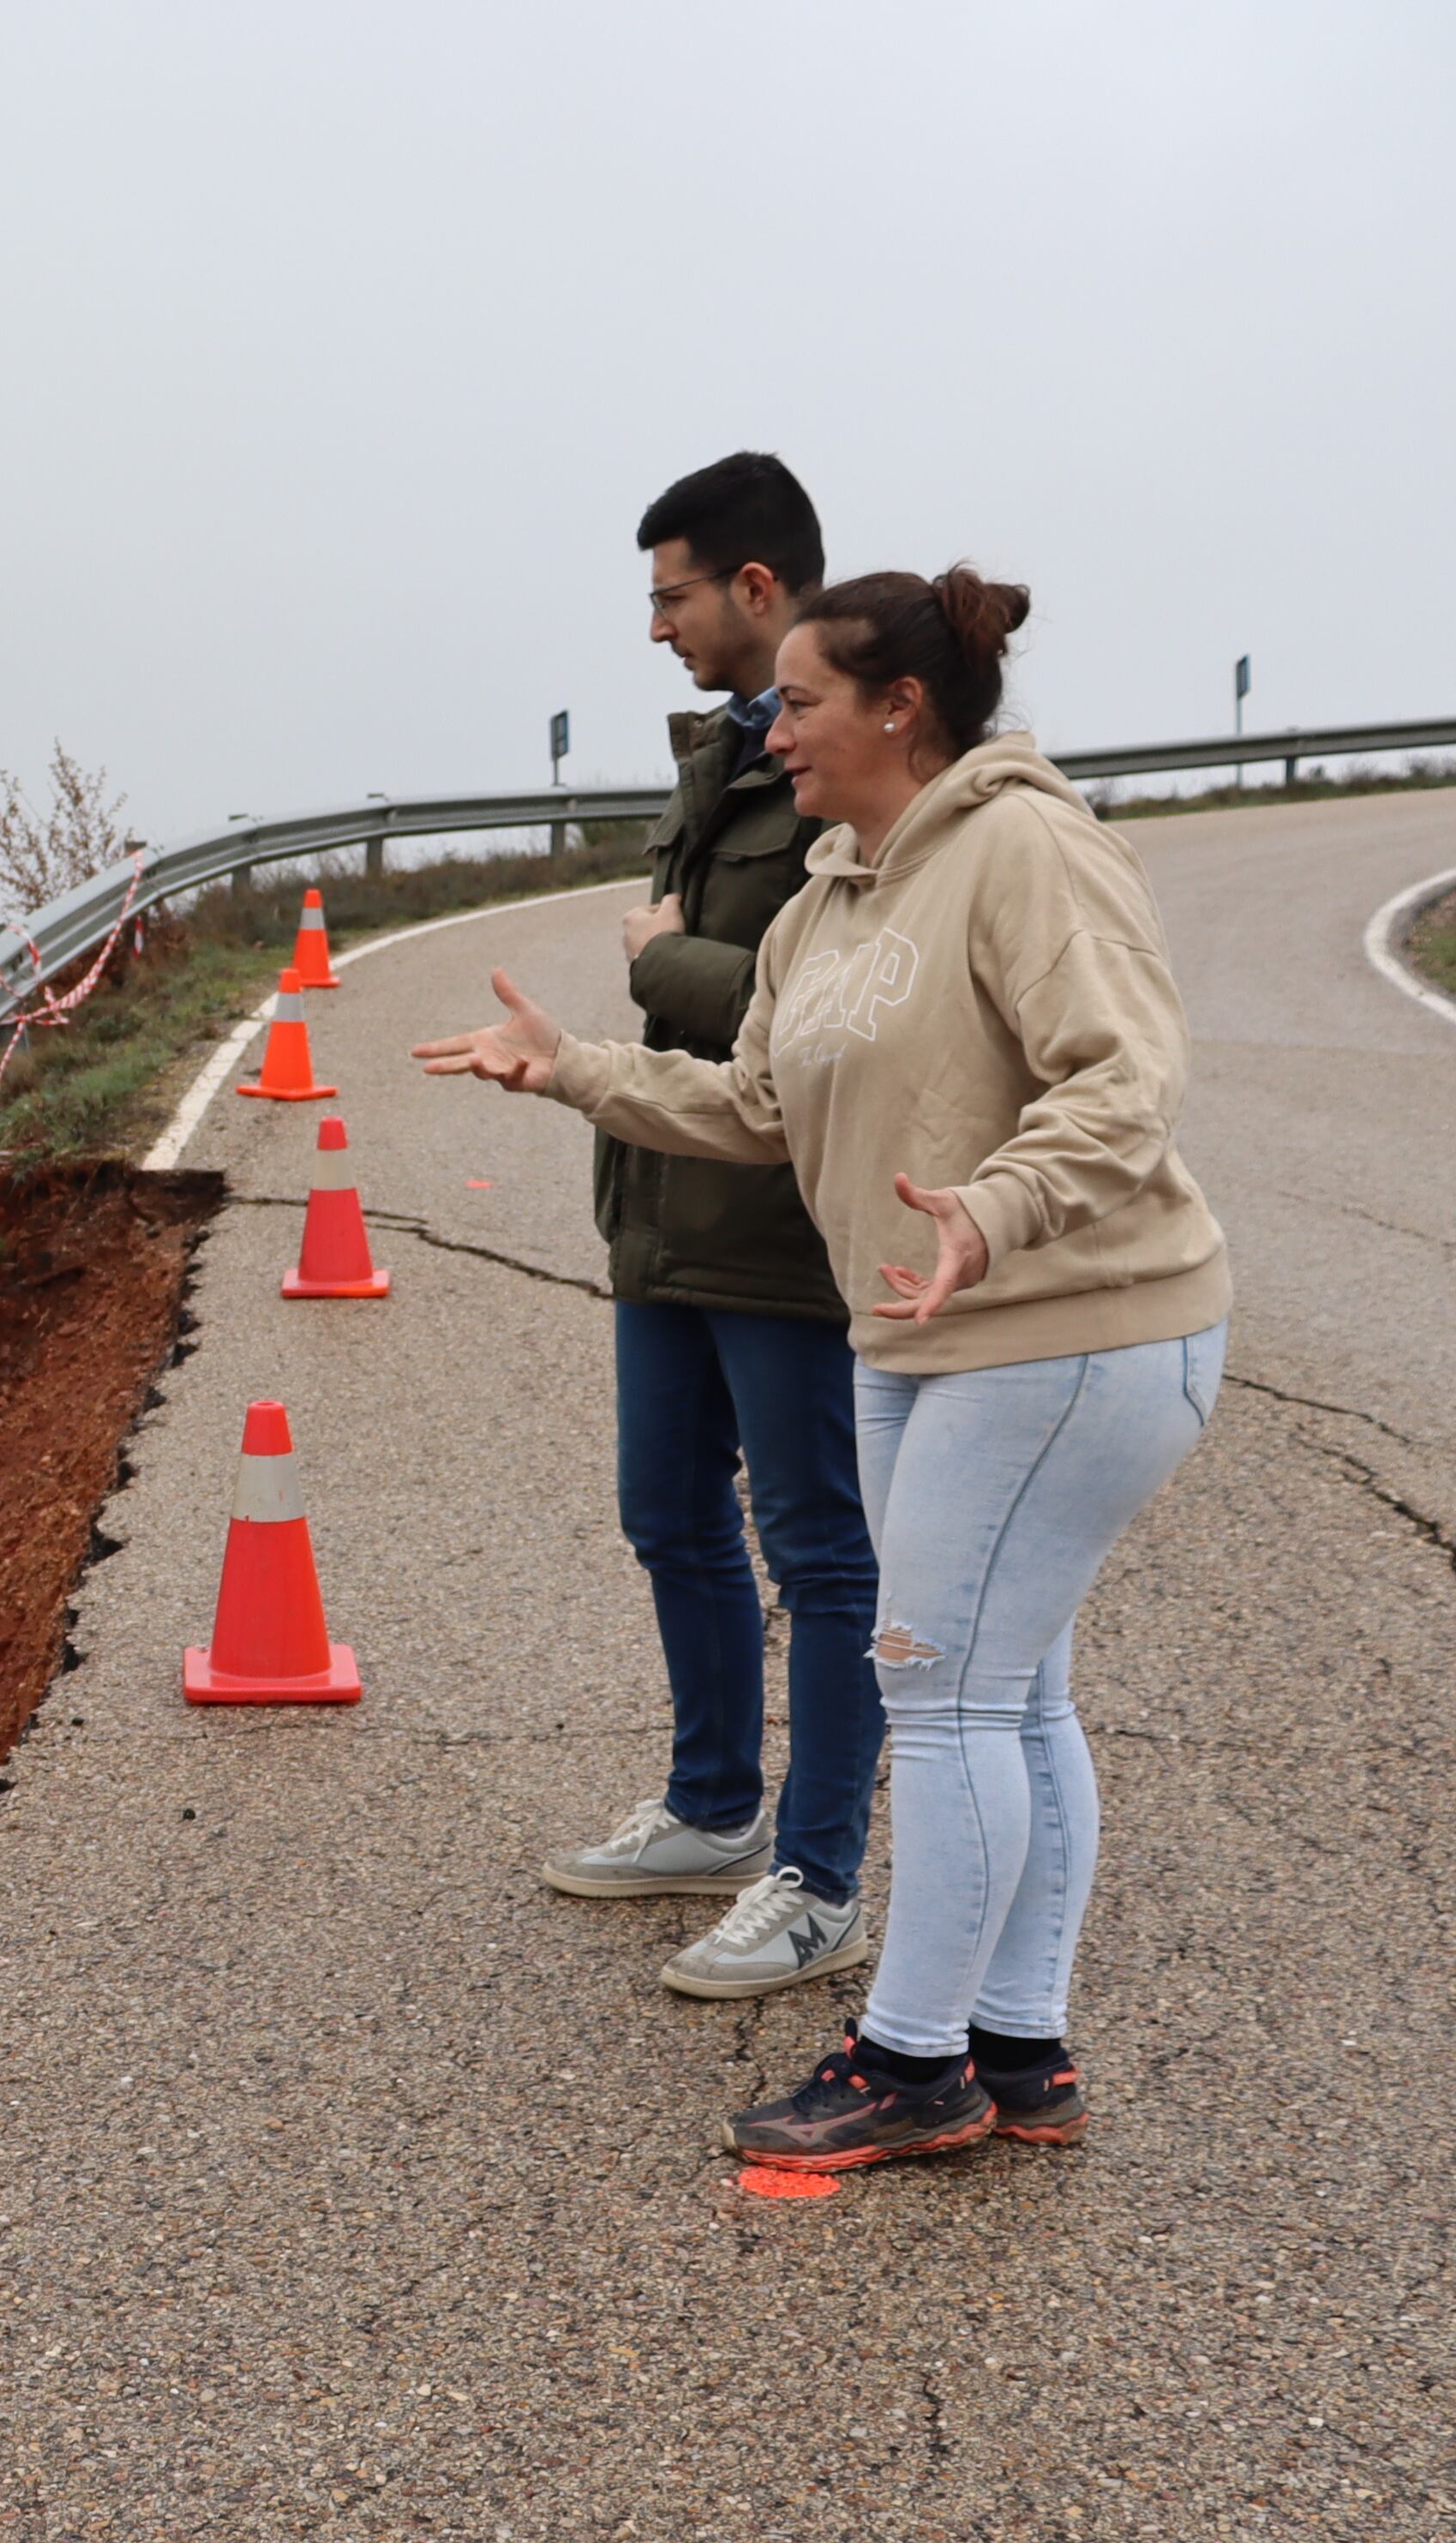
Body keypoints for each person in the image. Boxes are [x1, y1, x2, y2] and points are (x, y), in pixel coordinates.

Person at [418, 566, 1231, 2169]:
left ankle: (912, 2059)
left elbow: (1126, 1077)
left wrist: (993, 1210)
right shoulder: (828, 898)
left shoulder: (1025, 846)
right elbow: (756, 1111)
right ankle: (1020, 2048)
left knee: (935, 1696)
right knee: (1013, 1690)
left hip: (1075, 1328)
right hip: (915, 1332)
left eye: (797, 703)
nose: (771, 732)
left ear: (898, 708)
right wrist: (570, 1069)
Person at [539, 453, 884, 2015]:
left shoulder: (859, 762)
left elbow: (818, 1008)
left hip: (777, 1220)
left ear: (756, 587)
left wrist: (664, 959)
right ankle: (711, 1805)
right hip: (666, 1204)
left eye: (672, 594)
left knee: (817, 1554)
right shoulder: (726, 754)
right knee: (668, 1515)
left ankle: (815, 1879)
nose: (658, 626)